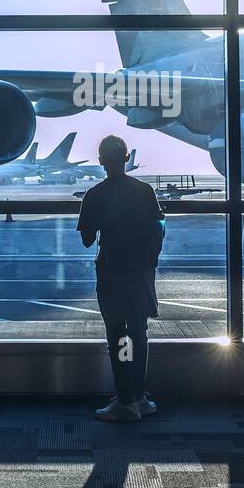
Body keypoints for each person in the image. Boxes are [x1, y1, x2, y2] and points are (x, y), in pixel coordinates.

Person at [77, 135, 165, 422]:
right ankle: (139, 396)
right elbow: (159, 224)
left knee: (117, 334)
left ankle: (124, 400)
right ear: (127, 158)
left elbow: (88, 240)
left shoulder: (95, 194)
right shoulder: (144, 191)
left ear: (100, 160)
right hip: (141, 271)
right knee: (139, 333)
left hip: (112, 270)